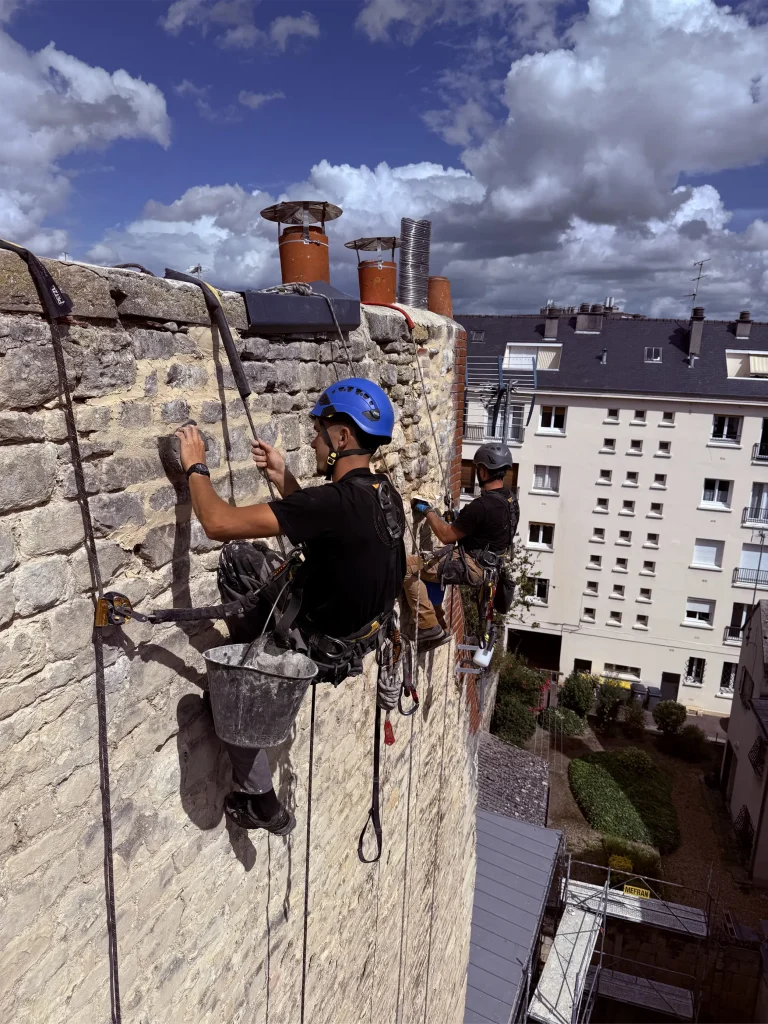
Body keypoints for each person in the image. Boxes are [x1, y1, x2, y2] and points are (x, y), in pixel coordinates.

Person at [175, 378, 406, 837]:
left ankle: (258, 793)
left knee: (240, 562)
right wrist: (284, 479)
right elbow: (329, 531)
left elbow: (218, 523)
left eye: (320, 432)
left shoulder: (332, 502)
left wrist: (196, 467)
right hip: (354, 639)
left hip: (316, 644)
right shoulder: (384, 496)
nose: (314, 440)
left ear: (343, 437)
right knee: (273, 566)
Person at [402, 442, 519, 644]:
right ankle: (440, 625)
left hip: (472, 565)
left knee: (404, 567)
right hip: (489, 568)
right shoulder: (510, 500)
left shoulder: (482, 506)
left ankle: (428, 626)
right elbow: (489, 529)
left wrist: (427, 511)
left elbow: (446, 536)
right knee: (431, 570)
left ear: (482, 471)